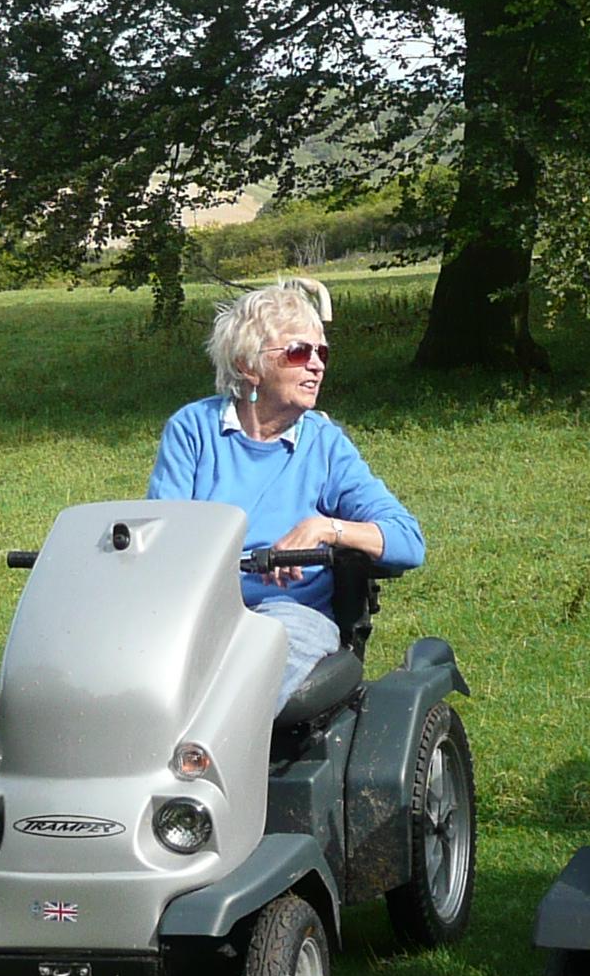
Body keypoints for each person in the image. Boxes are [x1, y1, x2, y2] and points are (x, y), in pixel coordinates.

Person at [147, 278, 424, 704]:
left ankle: (202, 756)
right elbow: (164, 535)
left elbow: (408, 541)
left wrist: (325, 528)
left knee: (248, 670)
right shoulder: (193, 430)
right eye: (298, 352)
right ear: (248, 365)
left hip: (290, 616)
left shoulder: (324, 445)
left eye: (322, 352)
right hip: (197, 612)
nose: (316, 365)